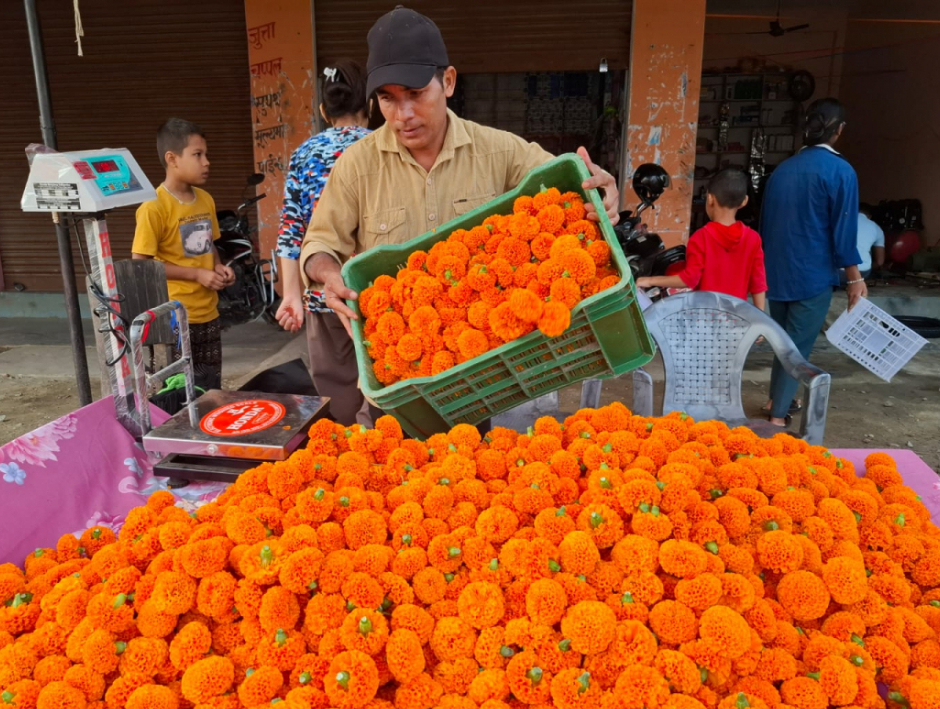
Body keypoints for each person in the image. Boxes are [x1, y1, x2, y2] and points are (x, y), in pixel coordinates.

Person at [298, 6, 620, 427]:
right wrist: (327, 274)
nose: (403, 115)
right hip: (400, 381)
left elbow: (572, 186)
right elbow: (319, 244)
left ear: (447, 82)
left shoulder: (500, 151)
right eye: (387, 99)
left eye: (415, 94)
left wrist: (603, 191)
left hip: (474, 376)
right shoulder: (357, 166)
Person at [274, 61, 372, 419]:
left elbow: (290, 230)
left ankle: (344, 460)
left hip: (320, 293)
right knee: (386, 385)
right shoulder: (382, 148)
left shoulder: (304, 155)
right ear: (371, 106)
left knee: (335, 389)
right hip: (376, 291)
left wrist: (290, 295)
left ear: (322, 111)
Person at [760, 98, 866, 428]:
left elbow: (765, 224)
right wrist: (854, 278)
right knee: (798, 346)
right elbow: (843, 230)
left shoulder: (783, 170)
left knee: (783, 343)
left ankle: (778, 398)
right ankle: (777, 418)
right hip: (812, 275)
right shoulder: (841, 172)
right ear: (840, 131)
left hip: (775, 273)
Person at [132, 118, 234, 383]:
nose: (206, 161)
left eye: (206, 154)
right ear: (172, 159)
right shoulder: (153, 207)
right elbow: (141, 265)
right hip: (174, 319)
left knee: (210, 387)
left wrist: (217, 267)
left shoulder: (205, 199)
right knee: (179, 390)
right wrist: (197, 275)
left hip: (209, 313)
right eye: (197, 155)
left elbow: (208, 242)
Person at [636, 168, 766, 310]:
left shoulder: (701, 237)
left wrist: (649, 280)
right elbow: (758, 285)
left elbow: (689, 279)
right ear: (744, 201)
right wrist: (762, 321)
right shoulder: (753, 239)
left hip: (703, 322)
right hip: (737, 319)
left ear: (710, 198)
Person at [844, 202, 885, 284]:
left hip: (837, 272)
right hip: (862, 273)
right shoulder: (876, 228)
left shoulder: (841, 222)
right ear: (869, 216)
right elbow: (879, 262)